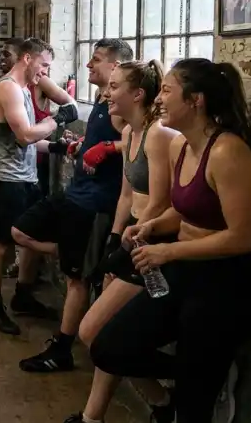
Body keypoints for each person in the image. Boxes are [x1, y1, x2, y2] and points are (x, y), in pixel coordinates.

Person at [89, 58, 251, 423]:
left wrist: (168, 250)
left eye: (167, 91)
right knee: (108, 347)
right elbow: (187, 210)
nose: (159, 100)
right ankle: (198, 373)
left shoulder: (227, 151)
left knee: (193, 409)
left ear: (195, 100)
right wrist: (152, 226)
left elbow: (243, 237)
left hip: (220, 283)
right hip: (183, 268)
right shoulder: (182, 146)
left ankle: (203, 380)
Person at [62, 60, 177, 423]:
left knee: (93, 331)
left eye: (114, 87)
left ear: (138, 94)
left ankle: (174, 387)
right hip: (132, 236)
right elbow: (127, 196)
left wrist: (132, 241)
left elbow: (161, 201)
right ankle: (97, 416)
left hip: (155, 239)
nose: (105, 93)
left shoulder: (159, 134)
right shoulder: (129, 134)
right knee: (106, 333)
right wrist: (114, 239)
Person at [9, 39, 131, 363]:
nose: (89, 65)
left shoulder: (124, 105)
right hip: (76, 194)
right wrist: (82, 144)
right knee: (21, 231)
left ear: (116, 66)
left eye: (96, 59)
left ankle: (62, 349)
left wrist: (108, 148)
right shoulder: (103, 100)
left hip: (96, 203)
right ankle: (78, 256)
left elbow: (141, 139)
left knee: (76, 279)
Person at [0, 38, 61, 334]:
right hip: (5, 180)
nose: (45, 73)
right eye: (43, 65)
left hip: (26, 178)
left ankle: (23, 297)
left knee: (32, 236)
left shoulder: (24, 89)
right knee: (0, 245)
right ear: (27, 58)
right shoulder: (8, 89)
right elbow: (27, 135)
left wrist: (58, 148)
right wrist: (56, 120)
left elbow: (25, 142)